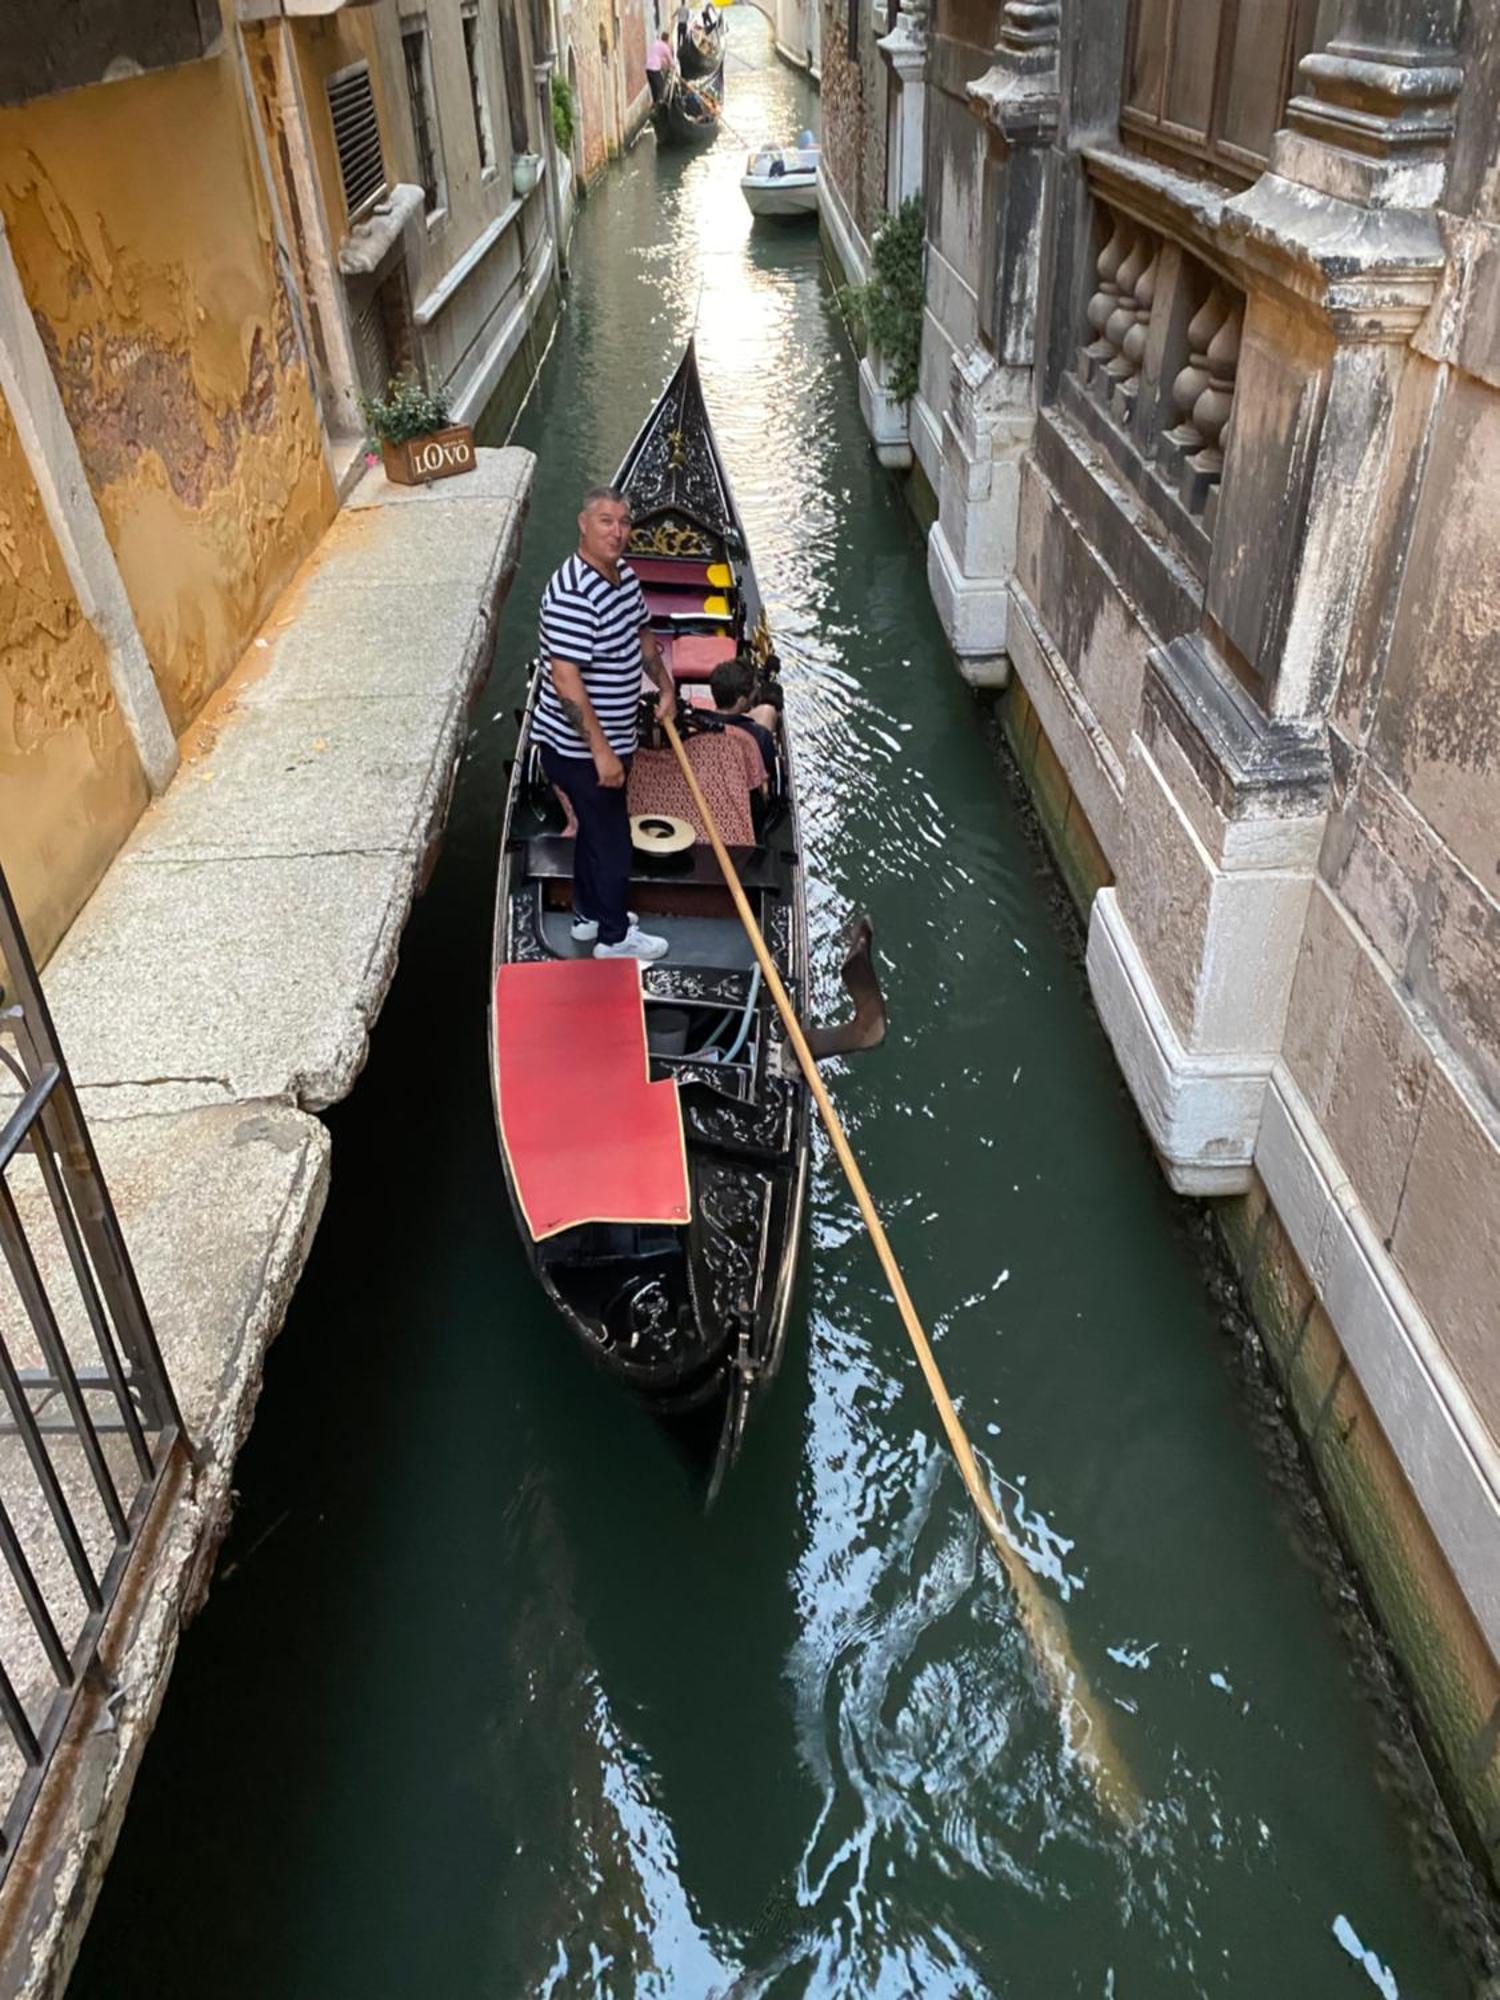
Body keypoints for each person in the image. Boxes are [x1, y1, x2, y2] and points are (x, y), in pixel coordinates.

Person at [536, 487, 677, 962]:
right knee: (613, 837)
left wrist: (667, 687)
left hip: (611, 739)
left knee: (594, 831)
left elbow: (642, 638)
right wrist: (601, 752)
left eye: (623, 521)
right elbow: (565, 679)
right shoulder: (573, 594)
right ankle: (615, 938)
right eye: (605, 521)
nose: (617, 531)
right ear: (583, 524)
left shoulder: (625, 576)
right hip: (579, 749)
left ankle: (587, 916)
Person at [708, 655, 780, 792]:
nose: (756, 691)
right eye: (754, 689)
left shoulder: (697, 726)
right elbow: (768, 773)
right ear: (741, 701)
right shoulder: (759, 737)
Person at [645, 29, 675, 102]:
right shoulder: (665, 47)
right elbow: (670, 61)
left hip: (648, 68)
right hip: (654, 69)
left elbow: (660, 58)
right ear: (667, 39)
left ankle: (655, 103)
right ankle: (660, 103)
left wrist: (665, 65)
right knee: (661, 86)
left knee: (653, 88)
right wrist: (674, 67)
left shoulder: (655, 43)